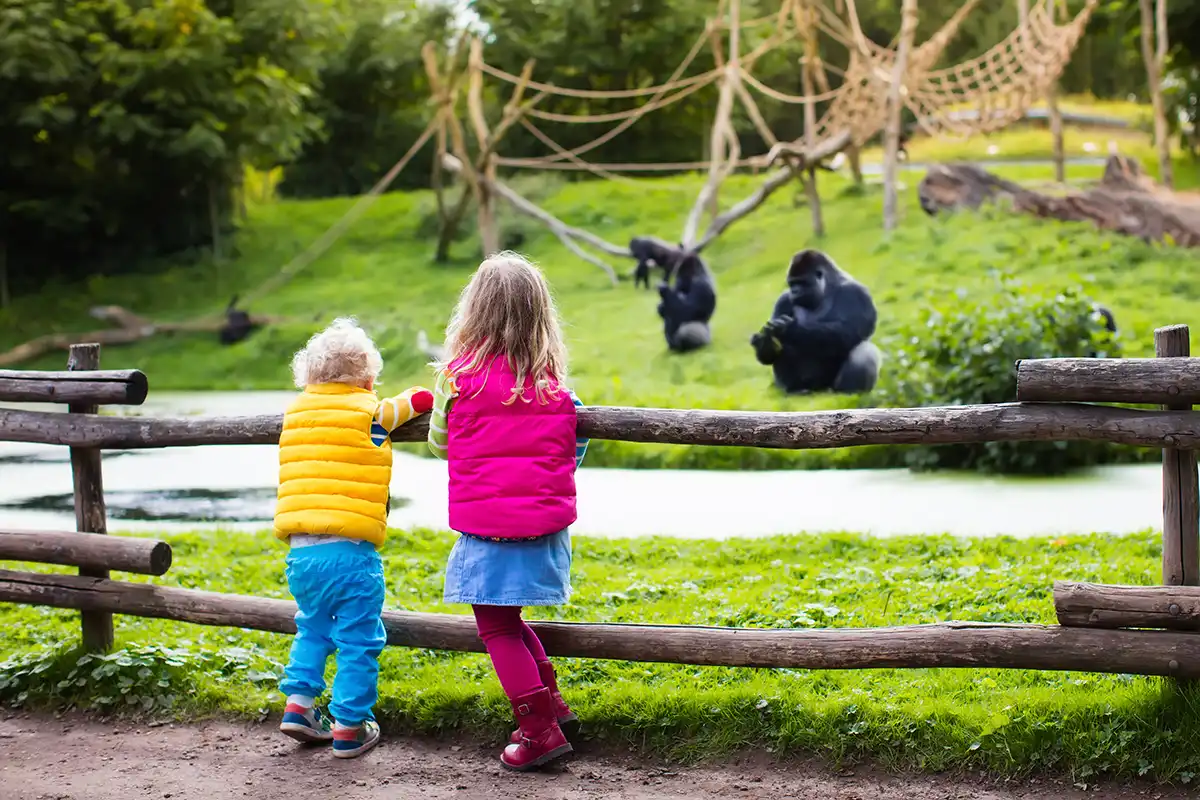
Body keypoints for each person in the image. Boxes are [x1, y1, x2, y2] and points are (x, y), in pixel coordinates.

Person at [427, 252, 589, 772]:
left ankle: (538, 732)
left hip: (488, 530)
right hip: (543, 530)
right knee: (509, 620)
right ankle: (553, 709)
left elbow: (440, 445)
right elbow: (574, 449)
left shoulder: (457, 381)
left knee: (496, 628)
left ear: (473, 312)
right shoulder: (558, 387)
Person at [274, 317, 432, 759]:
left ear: (308, 376)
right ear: (367, 379)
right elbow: (421, 398)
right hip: (351, 555)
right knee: (359, 639)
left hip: (301, 554)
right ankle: (349, 725)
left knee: (313, 627)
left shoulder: (295, 413)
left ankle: (299, 706)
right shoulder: (373, 413)